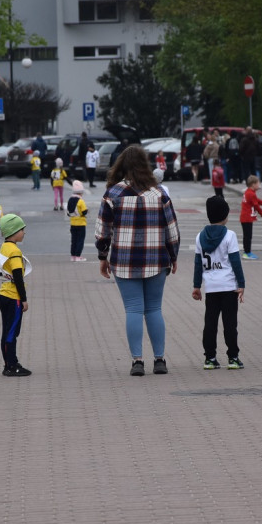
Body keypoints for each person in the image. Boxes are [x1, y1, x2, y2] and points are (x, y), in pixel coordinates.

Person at [95, 145, 181, 377]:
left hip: (124, 260)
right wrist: (173, 256)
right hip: (156, 259)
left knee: (133, 309)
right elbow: (172, 230)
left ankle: (137, 361)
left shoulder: (113, 194)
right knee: (154, 309)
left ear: (121, 165)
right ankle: (160, 359)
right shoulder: (159, 194)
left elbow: (103, 231)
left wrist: (103, 256)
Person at [192, 196, 246, 370]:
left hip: (211, 287)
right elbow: (235, 262)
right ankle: (233, 358)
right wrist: (241, 284)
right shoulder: (230, 235)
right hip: (229, 286)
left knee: (210, 323)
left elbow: (198, 263)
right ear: (225, 215)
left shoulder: (200, 237)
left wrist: (196, 286)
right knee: (230, 324)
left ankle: (210, 358)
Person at [0, 214, 32, 377]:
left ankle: (9, 363)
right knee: (12, 332)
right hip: (13, 297)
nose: (24, 232)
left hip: (4, 294)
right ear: (14, 231)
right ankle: (11, 365)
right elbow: (18, 276)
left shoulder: (4, 247)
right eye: (22, 229)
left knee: (7, 331)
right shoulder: (15, 251)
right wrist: (23, 299)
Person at [238, 175, 262, 260]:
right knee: (248, 236)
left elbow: (257, 201)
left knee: (247, 236)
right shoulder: (251, 194)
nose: (259, 185)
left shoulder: (249, 192)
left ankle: (247, 252)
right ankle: (247, 253)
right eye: (258, 183)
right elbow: (256, 205)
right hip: (247, 217)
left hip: (245, 217)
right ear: (253, 184)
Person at [66, 180, 88, 262]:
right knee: (80, 240)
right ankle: (78, 256)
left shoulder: (70, 200)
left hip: (73, 223)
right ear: (81, 192)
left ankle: (73, 256)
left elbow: (68, 212)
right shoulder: (81, 201)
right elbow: (84, 211)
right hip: (81, 224)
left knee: (74, 240)